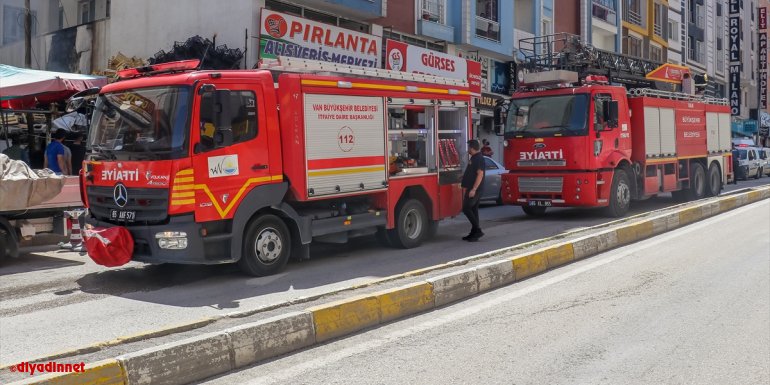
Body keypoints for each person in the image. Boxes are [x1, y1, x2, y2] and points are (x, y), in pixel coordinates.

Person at [461, 139, 485, 242]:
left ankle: (478, 230)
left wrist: (474, 189)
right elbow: (472, 172)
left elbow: (480, 174)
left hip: (474, 189)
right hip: (473, 188)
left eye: (468, 147)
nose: (468, 149)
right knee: (474, 210)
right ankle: (474, 233)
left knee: (466, 208)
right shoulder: (474, 158)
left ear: (472, 148)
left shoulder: (478, 158)